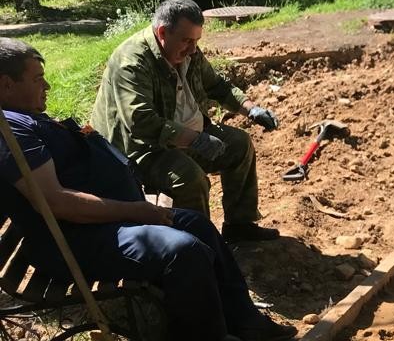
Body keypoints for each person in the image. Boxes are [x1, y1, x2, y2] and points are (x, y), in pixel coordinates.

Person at [0, 38, 296, 341]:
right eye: (37, 79)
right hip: (75, 241)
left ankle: (242, 320)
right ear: (6, 85)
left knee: (198, 225)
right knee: (183, 251)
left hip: (103, 223)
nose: (46, 86)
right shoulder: (10, 133)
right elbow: (56, 203)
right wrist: (135, 209)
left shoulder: (25, 118)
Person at [92, 0, 281, 243]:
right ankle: (199, 245)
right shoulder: (132, 62)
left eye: (196, 41)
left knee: (239, 145)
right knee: (191, 179)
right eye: (187, 41)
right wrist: (196, 140)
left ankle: (240, 224)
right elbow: (140, 122)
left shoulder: (186, 52)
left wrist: (250, 109)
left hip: (187, 136)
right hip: (140, 150)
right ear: (162, 32)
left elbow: (217, 86)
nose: (193, 49)